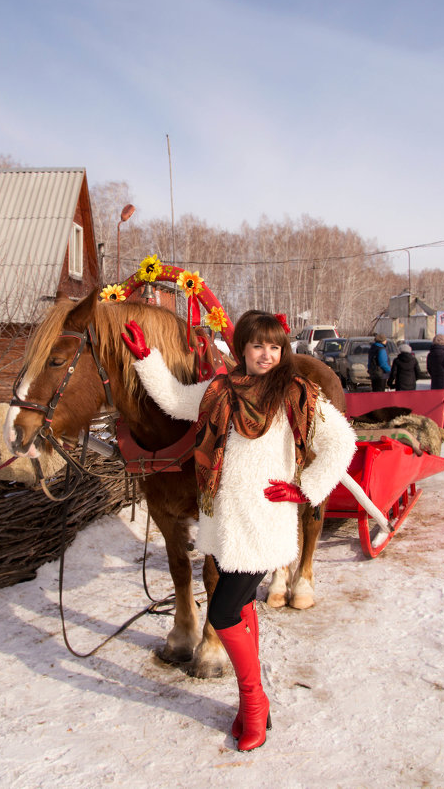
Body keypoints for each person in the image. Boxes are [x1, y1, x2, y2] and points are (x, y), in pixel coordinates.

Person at [121, 310, 356, 752]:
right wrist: (145, 358)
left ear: (282, 351)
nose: (267, 355)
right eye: (257, 346)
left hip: (263, 525)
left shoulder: (294, 392)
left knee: (224, 613)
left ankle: (254, 703)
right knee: (241, 608)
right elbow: (174, 399)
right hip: (225, 524)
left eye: (275, 347)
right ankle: (257, 705)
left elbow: (342, 442)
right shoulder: (220, 391)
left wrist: (306, 488)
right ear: (242, 350)